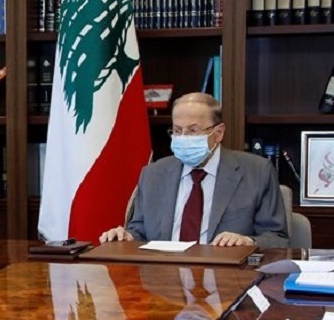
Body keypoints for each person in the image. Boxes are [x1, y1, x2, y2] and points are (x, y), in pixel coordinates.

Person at [99, 92, 288, 248]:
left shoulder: (257, 172)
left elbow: (277, 238)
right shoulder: (153, 174)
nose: (183, 138)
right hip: (162, 275)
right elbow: (139, 232)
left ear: (218, 133)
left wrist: (248, 241)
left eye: (193, 130)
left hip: (224, 274)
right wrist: (126, 237)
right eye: (177, 130)